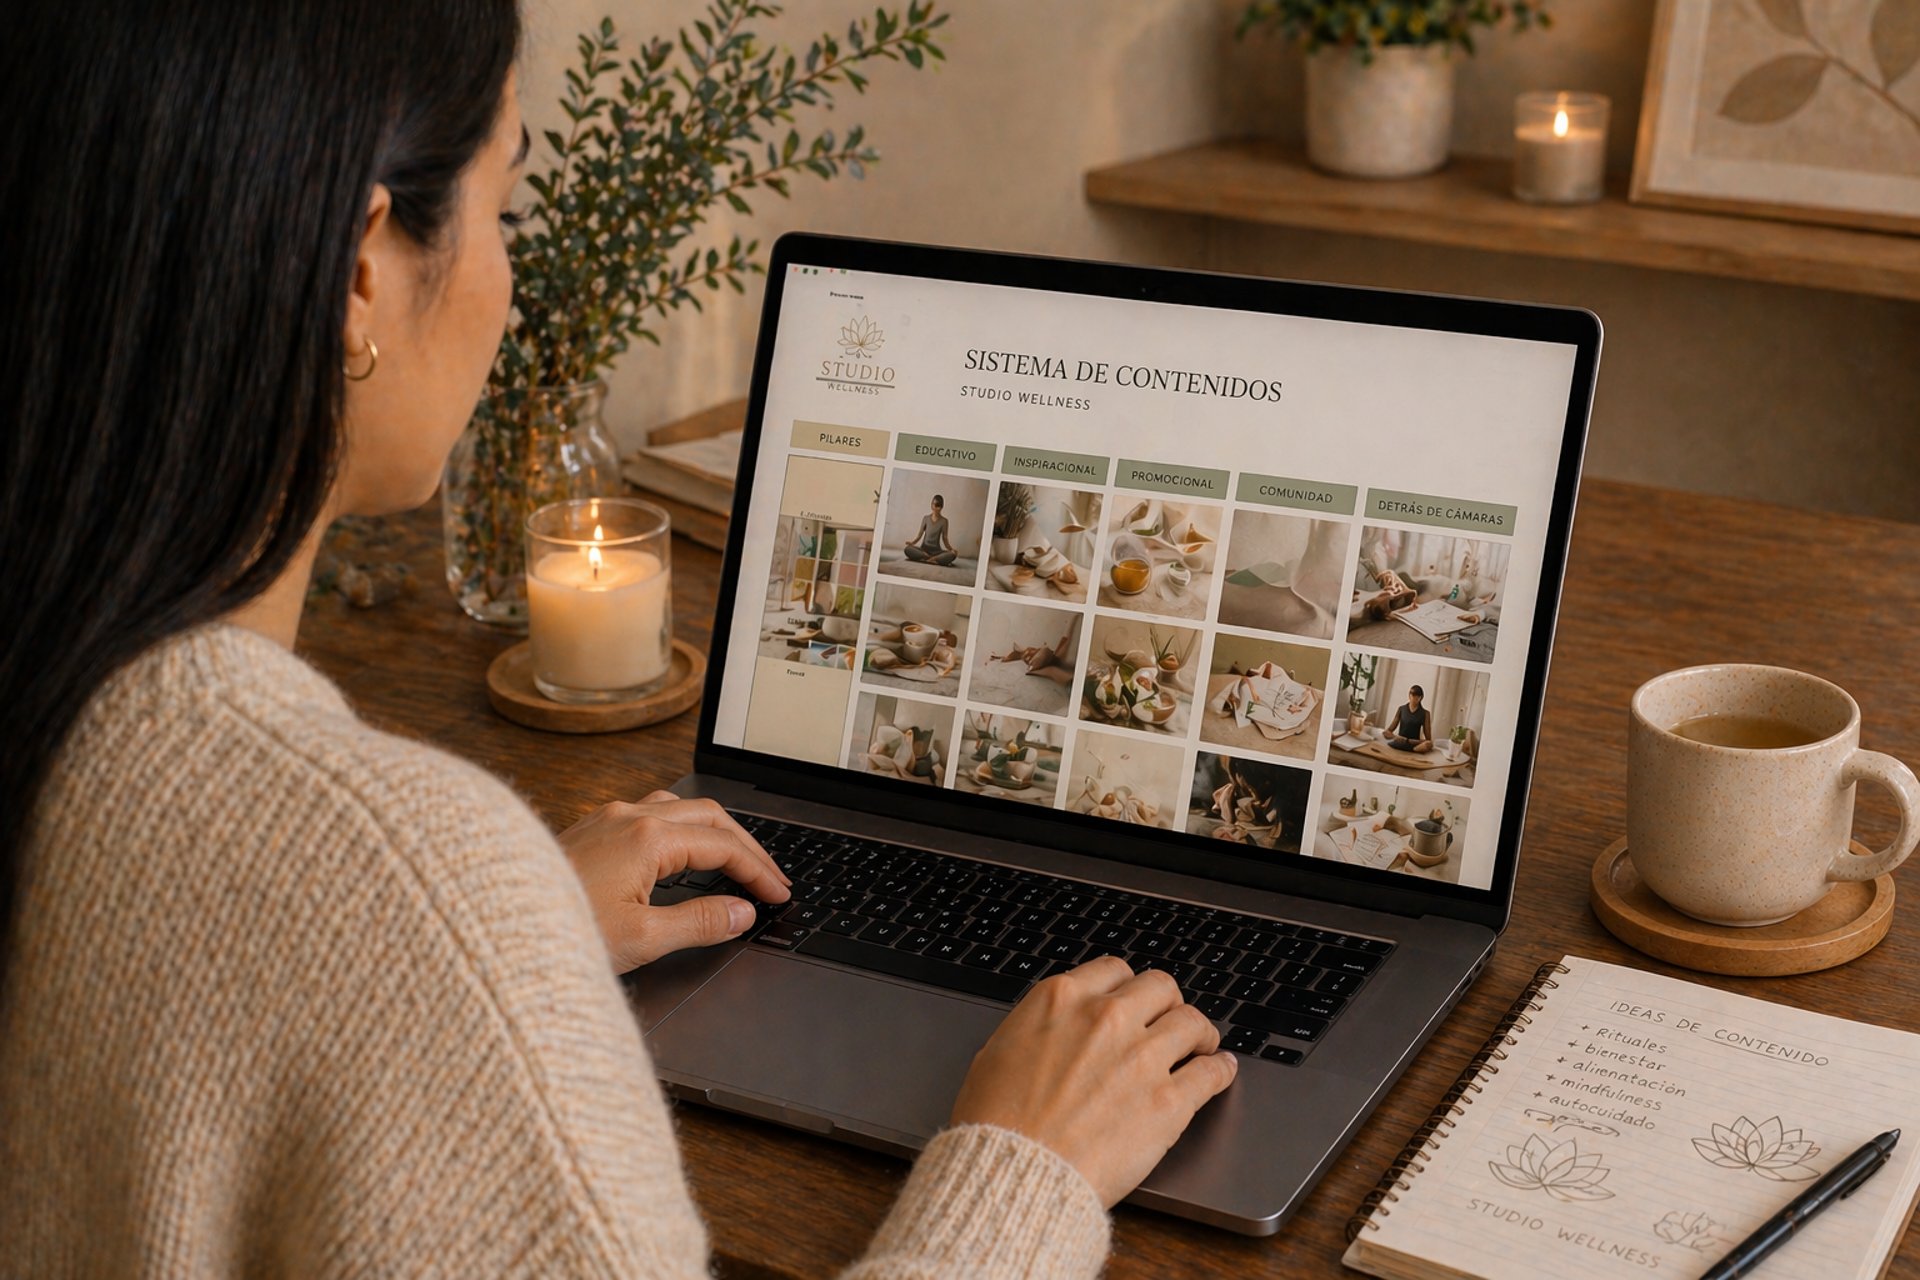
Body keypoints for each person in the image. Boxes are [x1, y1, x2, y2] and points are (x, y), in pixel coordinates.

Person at [0, 4, 1236, 1274]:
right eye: (505, 207)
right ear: (360, 269)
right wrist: (1030, 1169)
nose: (506, 278)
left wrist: (496, 946)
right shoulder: (401, 874)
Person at [902, 493, 959, 565]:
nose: (934, 507)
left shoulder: (944, 521)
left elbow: (945, 539)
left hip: (936, 552)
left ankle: (932, 558)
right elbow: (919, 535)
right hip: (923, 550)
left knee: (952, 555)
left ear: (941, 507)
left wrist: (951, 550)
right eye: (933, 504)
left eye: (937, 505)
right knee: (907, 549)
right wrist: (912, 543)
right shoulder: (926, 518)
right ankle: (927, 557)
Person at [1386, 684, 1435, 753]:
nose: (1414, 698)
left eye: (1417, 697)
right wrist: (1396, 737)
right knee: (1385, 734)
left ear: (1420, 698)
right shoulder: (1401, 709)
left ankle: (1414, 749)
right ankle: (1411, 749)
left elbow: (1428, 739)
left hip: (1414, 744)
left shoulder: (1425, 713)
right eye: (1412, 695)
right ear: (1409, 695)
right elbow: (1388, 731)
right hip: (1400, 742)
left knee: (1429, 744)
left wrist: (1412, 741)